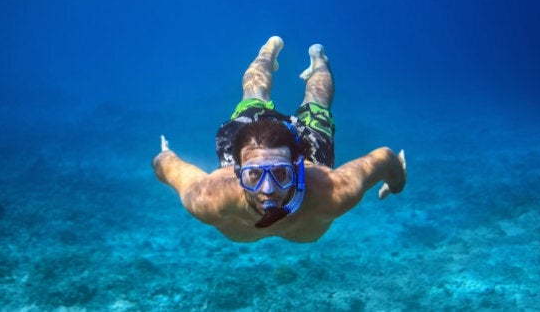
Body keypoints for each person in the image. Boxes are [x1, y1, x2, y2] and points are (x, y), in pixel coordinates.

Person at [153, 36, 406, 242]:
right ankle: (268, 52)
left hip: (305, 143)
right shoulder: (209, 198)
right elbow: (166, 167)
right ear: (237, 171)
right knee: (255, 92)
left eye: (281, 173)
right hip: (252, 138)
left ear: (297, 167)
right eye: (253, 175)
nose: (268, 189)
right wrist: (164, 156)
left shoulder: (333, 191)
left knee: (317, 100)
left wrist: (396, 186)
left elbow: (384, 159)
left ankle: (319, 59)